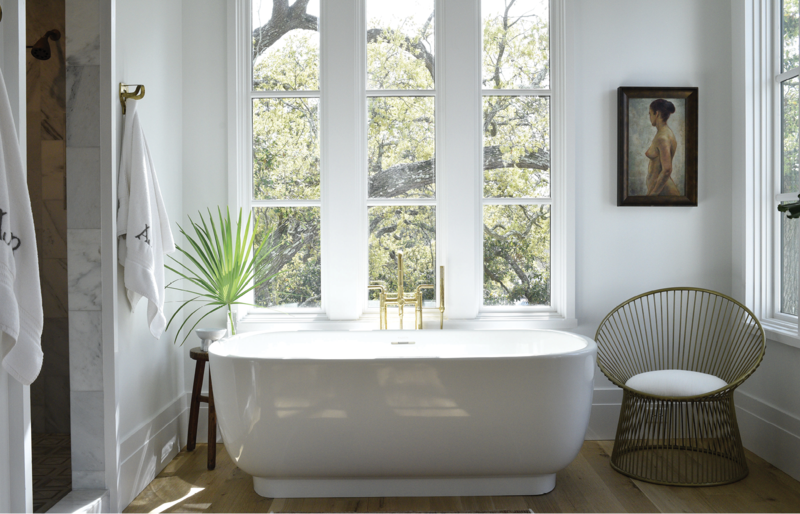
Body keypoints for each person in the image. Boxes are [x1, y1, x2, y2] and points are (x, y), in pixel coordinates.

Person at [645, 99, 680, 196]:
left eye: (650, 114)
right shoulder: (665, 133)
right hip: (660, 191)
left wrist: (653, 194)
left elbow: (667, 170)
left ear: (656, 114)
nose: (650, 117)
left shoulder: (662, 138)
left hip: (662, 192)